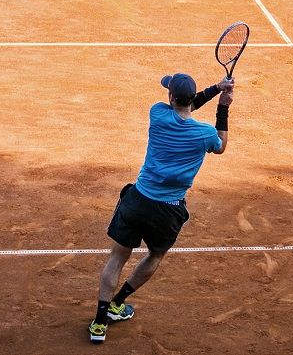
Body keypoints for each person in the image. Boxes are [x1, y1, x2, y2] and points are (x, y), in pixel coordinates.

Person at [89, 72, 235, 345]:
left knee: (116, 258)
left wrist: (215, 88)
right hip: (168, 210)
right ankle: (118, 304)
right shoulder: (205, 134)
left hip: (138, 200)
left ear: (170, 98)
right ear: (189, 99)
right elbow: (221, 146)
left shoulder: (157, 114)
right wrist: (223, 104)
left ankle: (99, 321)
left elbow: (184, 107)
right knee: (155, 256)